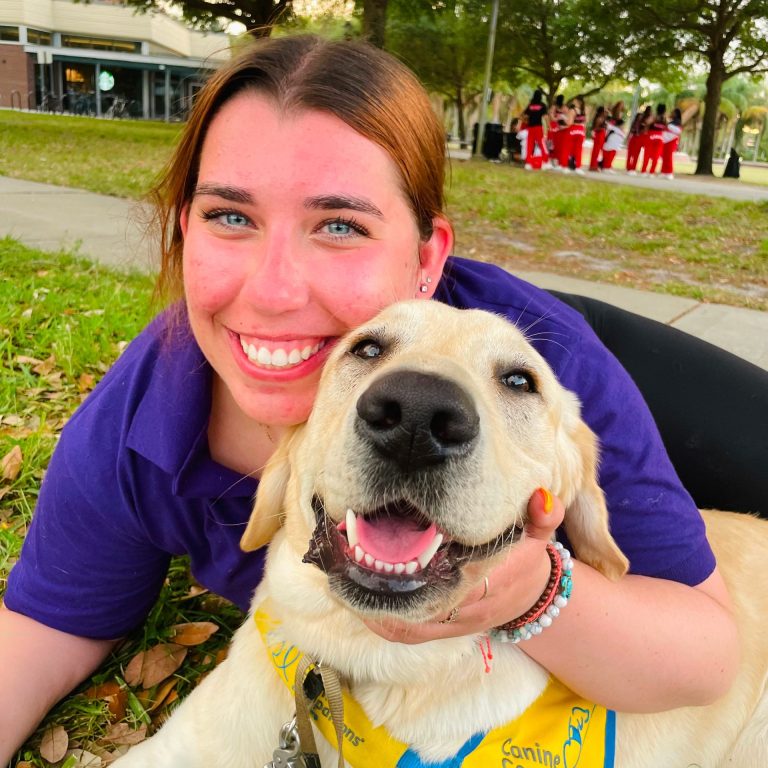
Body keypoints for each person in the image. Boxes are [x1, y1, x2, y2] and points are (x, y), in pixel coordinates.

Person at [0, 34, 744, 763]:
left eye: (340, 225)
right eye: (231, 216)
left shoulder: (554, 364)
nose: (274, 291)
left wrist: (534, 589)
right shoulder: (141, 416)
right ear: (182, 228)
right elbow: (48, 628)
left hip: (594, 367)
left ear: (427, 257)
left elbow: (706, 659)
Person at [522, 88, 550, 170]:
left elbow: (525, 116)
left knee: (529, 145)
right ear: (541, 96)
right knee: (541, 144)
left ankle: (528, 164)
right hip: (538, 127)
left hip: (530, 127)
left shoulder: (530, 105)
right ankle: (545, 161)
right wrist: (548, 126)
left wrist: (526, 120)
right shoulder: (542, 105)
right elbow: (545, 117)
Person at [641, 103, 667, 175]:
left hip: (651, 136)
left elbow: (647, 122)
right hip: (660, 137)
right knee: (656, 155)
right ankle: (651, 172)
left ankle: (643, 171)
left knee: (647, 154)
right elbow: (665, 128)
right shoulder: (664, 118)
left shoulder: (654, 117)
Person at [625, 105, 651, 174]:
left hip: (638, 137)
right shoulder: (642, 119)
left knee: (635, 154)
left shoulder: (646, 120)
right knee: (631, 153)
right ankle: (629, 168)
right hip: (635, 137)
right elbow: (632, 129)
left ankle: (632, 168)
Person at [661, 107, 682, 179]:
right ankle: (664, 172)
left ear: (676, 114)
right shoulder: (671, 122)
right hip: (665, 141)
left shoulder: (677, 122)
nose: (671, 113)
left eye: (673, 112)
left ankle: (669, 172)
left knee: (669, 157)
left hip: (671, 141)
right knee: (664, 156)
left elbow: (678, 132)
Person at [588, 105, 607, 171]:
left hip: (602, 136)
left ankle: (596, 165)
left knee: (598, 151)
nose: (605, 112)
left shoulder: (603, 118)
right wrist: (602, 128)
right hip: (599, 136)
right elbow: (595, 128)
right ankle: (593, 166)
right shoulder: (598, 118)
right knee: (596, 151)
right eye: (604, 111)